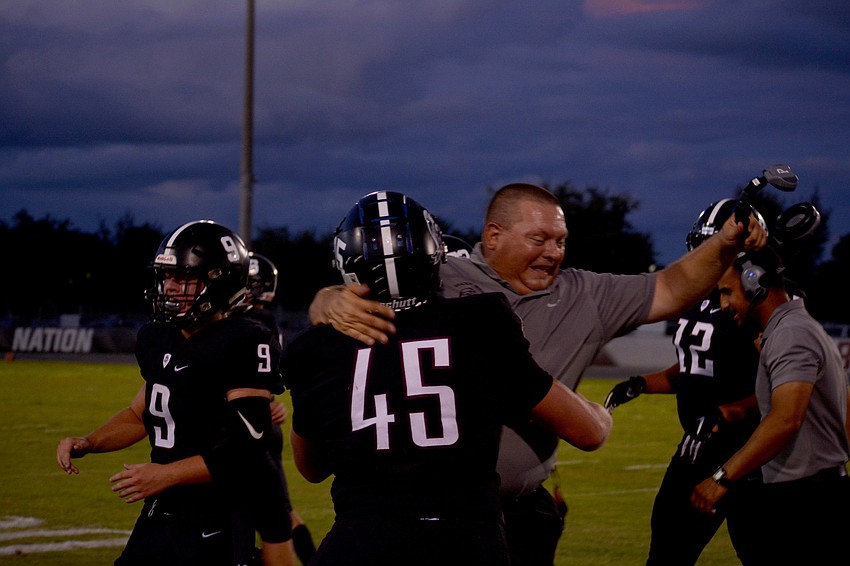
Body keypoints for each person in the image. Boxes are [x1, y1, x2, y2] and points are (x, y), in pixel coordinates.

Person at [308, 182, 767, 565]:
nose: (553, 252)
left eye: (561, 240)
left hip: (510, 509)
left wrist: (724, 244)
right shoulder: (439, 278)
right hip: (440, 503)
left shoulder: (584, 293)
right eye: (538, 239)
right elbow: (373, 282)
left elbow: (671, 287)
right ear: (493, 236)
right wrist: (328, 299)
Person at [284, 191, 613, 566]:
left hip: (362, 541)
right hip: (465, 540)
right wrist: (601, 415)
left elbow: (311, 468)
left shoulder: (314, 347)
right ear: (434, 251)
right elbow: (589, 432)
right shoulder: (481, 320)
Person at [56, 220, 292, 566]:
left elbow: (246, 450)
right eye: (167, 277)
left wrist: (164, 474)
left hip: (216, 510)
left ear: (218, 281)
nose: (170, 287)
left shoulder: (243, 339)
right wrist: (90, 443)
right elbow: (141, 414)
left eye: (182, 278)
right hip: (163, 507)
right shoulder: (158, 337)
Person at [604, 199, 763, 565]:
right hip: (696, 450)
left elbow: (784, 385)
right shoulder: (698, 295)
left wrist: (730, 412)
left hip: (751, 454)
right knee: (666, 554)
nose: (704, 253)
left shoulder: (753, 298)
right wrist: (642, 384)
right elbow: (696, 367)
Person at [690, 245, 850, 564]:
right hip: (815, 496)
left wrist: (722, 477)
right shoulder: (791, 330)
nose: (723, 305)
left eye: (726, 292)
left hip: (807, 504)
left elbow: (785, 419)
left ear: (754, 282)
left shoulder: (790, 334)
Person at [242, 252, 317, 565]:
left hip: (247, 424)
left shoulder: (248, 322)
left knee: (267, 515)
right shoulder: (266, 320)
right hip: (263, 418)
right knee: (281, 510)